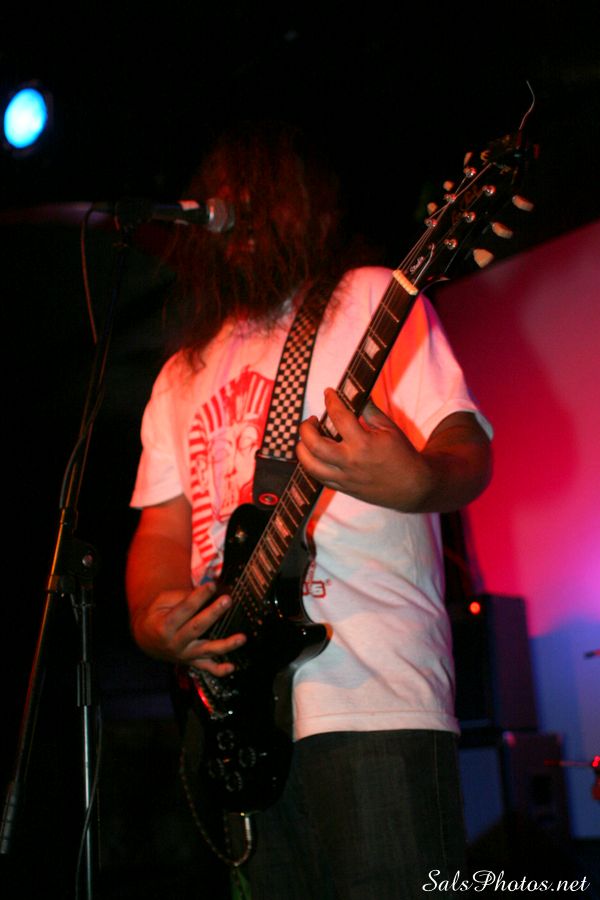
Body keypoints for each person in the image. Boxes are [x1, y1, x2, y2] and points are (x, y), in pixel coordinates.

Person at [125, 120, 493, 899]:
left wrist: (413, 481)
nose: (245, 217)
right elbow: (160, 531)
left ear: (315, 211)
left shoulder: (369, 297)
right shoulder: (178, 374)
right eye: (227, 203)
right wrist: (155, 621)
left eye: (266, 197)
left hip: (371, 699)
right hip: (235, 718)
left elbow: (466, 450)